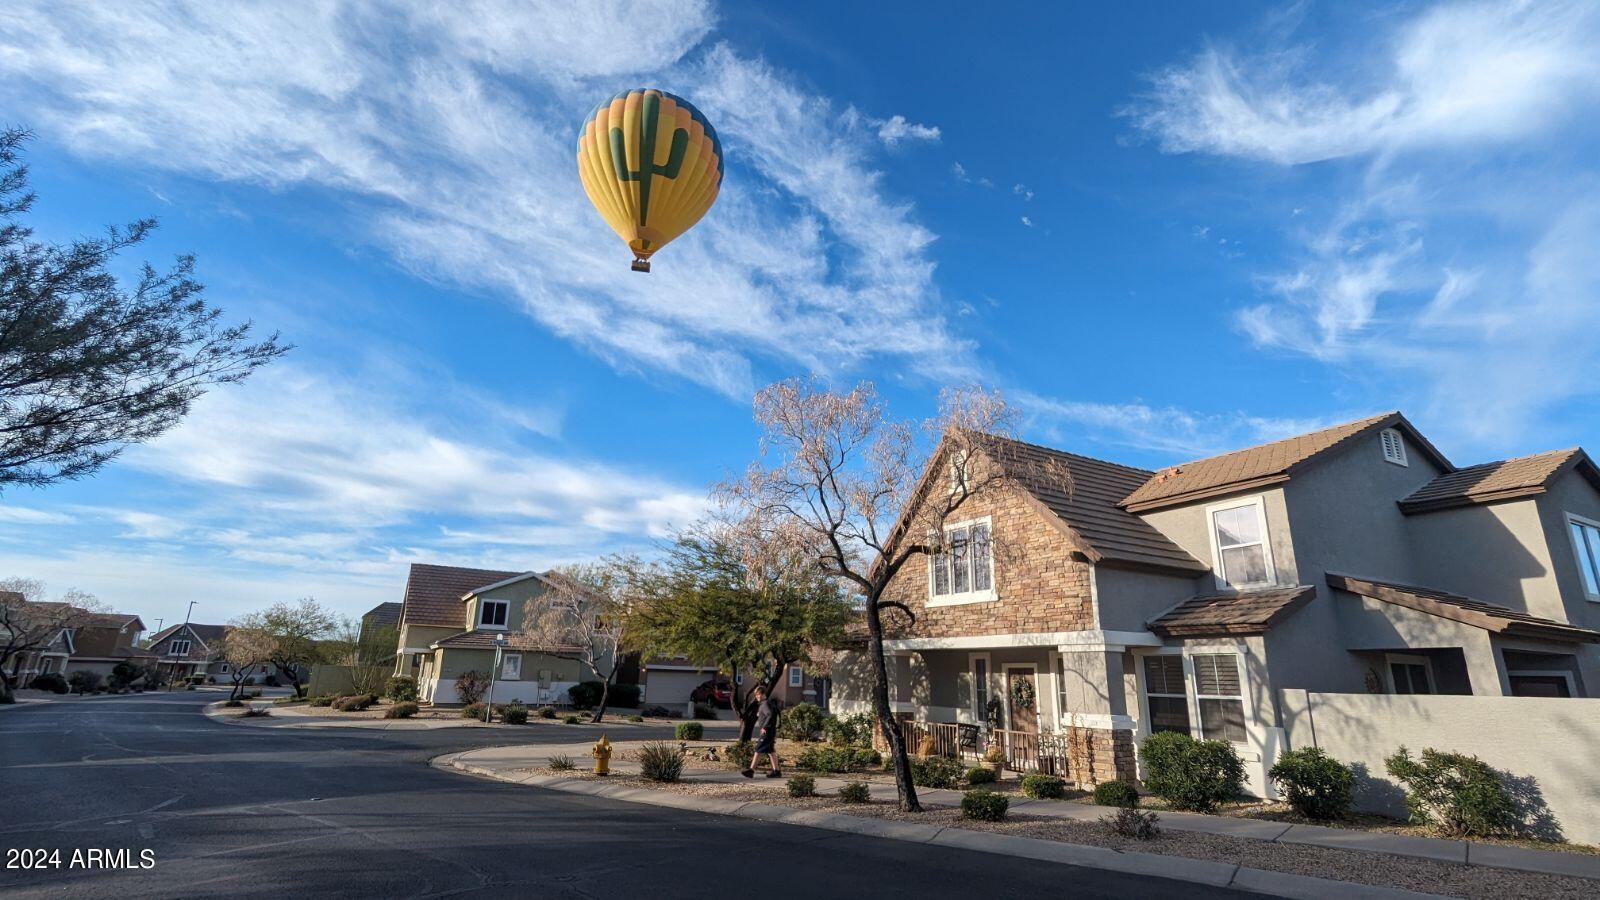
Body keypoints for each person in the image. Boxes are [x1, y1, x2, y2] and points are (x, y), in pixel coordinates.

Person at [742, 684, 783, 778]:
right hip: (770, 730)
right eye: (756, 695)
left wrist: (764, 727)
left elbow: (770, 714)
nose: (757, 696)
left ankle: (751, 770)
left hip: (767, 732)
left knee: (758, 750)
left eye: (758, 694)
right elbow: (769, 714)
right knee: (771, 751)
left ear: (763, 694)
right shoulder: (765, 704)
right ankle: (776, 771)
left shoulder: (765, 704)